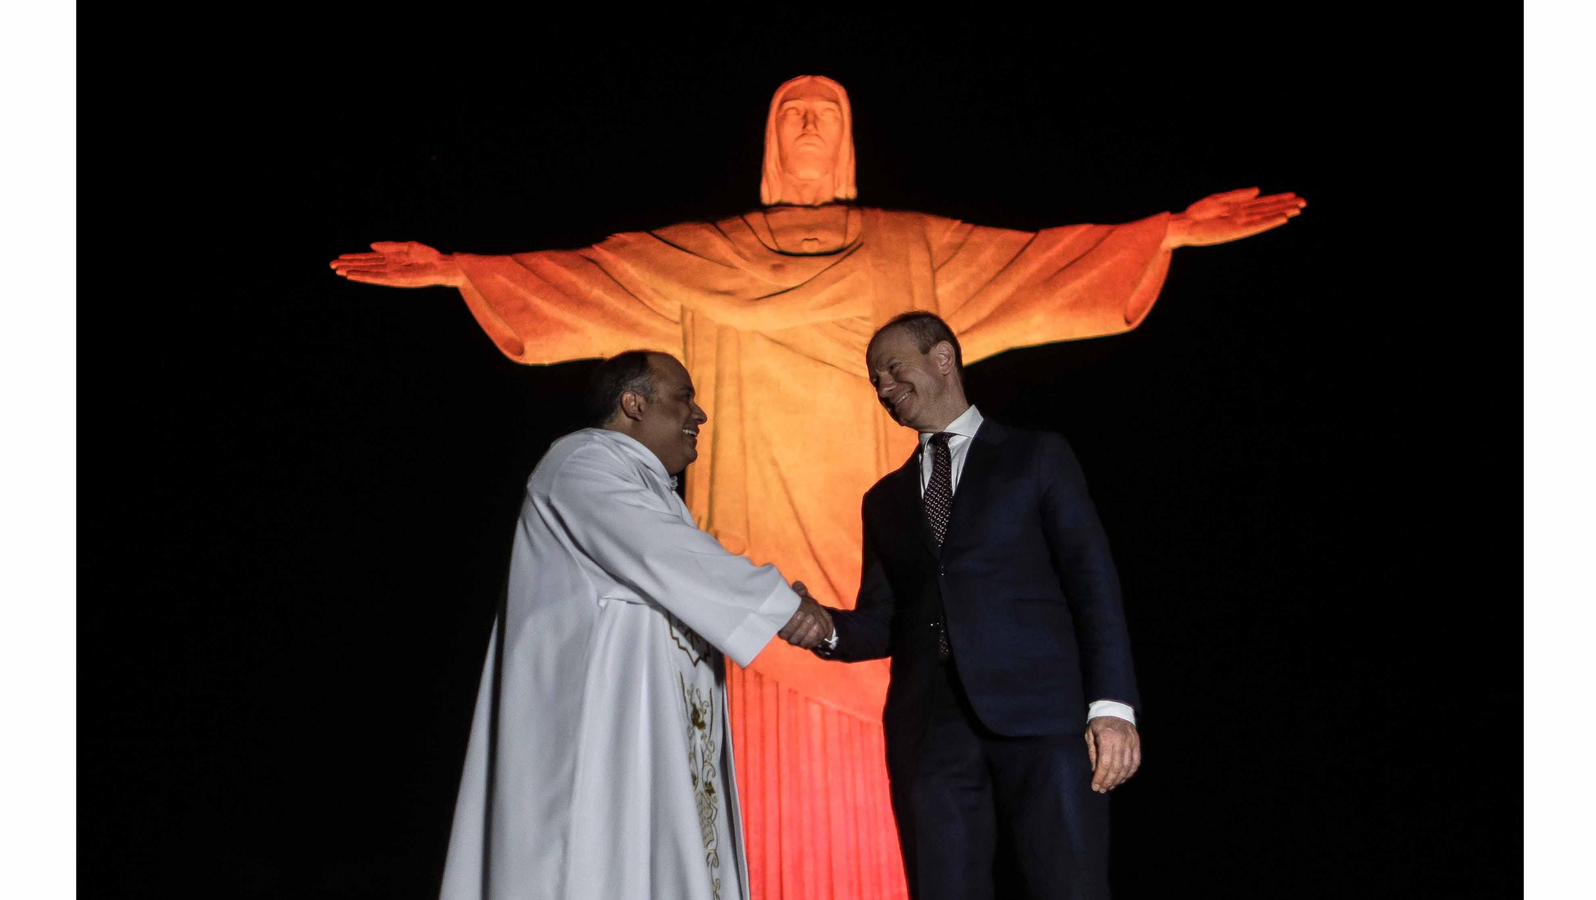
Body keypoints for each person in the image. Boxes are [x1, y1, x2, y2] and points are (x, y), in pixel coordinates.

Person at [333, 74, 1300, 895]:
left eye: (824, 111)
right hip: (756, 587)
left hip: (934, 663)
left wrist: (1161, 234)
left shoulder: (914, 253)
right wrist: (464, 272)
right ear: (767, 140)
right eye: (791, 109)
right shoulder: (699, 260)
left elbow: (1043, 261)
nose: (806, 123)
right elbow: (581, 279)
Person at [438, 350, 833, 900]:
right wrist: (780, 607)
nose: (699, 416)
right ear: (633, 403)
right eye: (683, 398)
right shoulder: (581, 461)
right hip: (599, 733)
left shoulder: (646, 485)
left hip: (647, 732)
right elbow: (665, 552)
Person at [802, 311, 1141, 900]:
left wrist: (1112, 708)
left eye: (892, 369)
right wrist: (816, 626)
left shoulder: (1037, 456)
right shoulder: (882, 500)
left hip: (1045, 720)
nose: (883, 389)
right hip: (930, 732)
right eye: (874, 380)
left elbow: (1093, 584)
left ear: (942, 358)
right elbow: (883, 623)